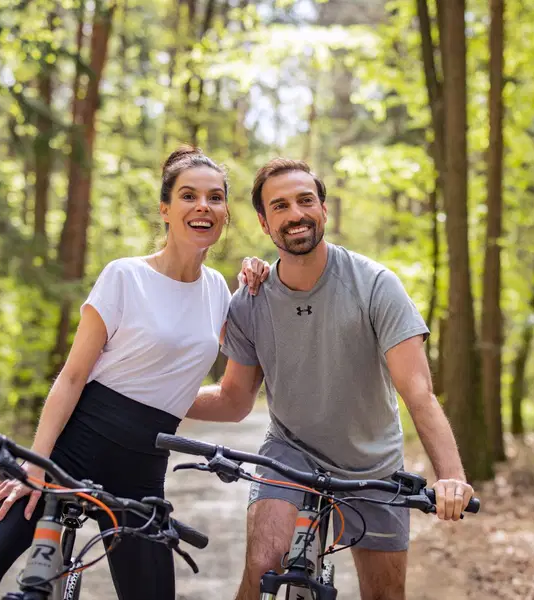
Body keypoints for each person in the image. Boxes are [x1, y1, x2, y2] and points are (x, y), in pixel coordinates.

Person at [0, 146, 269, 600]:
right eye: (188, 195)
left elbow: (229, 401)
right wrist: (36, 465)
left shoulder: (220, 291)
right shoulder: (124, 276)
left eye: (215, 198)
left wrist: (258, 279)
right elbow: (74, 377)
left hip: (141, 473)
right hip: (69, 454)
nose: (203, 206)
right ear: (165, 209)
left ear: (225, 213)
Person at [186, 158, 475, 600]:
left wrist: (450, 475)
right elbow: (234, 399)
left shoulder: (375, 285)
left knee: (384, 595)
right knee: (263, 565)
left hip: (373, 463)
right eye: (279, 206)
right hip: (290, 455)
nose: (295, 214)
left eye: (305, 200)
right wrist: (151, 397)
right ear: (265, 224)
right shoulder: (250, 300)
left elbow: (418, 392)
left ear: (324, 209)